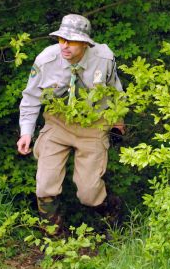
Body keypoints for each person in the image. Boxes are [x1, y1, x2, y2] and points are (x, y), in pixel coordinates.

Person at [17, 14, 124, 232]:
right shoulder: (46, 60)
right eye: (61, 39)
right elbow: (30, 97)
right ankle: (55, 240)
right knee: (45, 185)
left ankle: (114, 220)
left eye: (71, 41)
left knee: (89, 193)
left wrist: (118, 121)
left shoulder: (104, 58)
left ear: (85, 43)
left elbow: (116, 91)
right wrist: (26, 132)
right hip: (58, 123)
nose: (64, 46)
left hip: (94, 125)